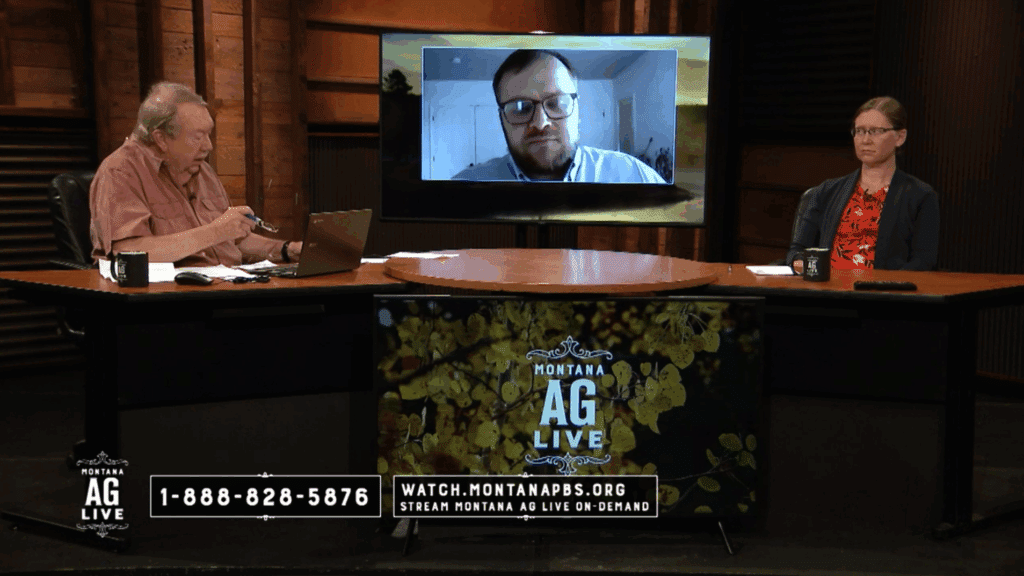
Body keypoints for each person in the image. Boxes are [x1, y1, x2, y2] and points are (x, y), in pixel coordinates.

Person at [89, 81, 302, 267]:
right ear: (161, 138)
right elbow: (130, 252)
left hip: (228, 288)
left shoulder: (201, 171)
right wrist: (216, 231)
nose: (208, 146)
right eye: (198, 137)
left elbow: (233, 240)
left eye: (209, 135)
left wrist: (286, 250)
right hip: (172, 301)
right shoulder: (120, 172)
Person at [452, 49, 666, 183]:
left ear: (578, 111)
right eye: (520, 108)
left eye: (556, 103)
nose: (540, 123)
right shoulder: (462, 191)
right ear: (501, 119)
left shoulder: (634, 177)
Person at [786, 96, 939, 271]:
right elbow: (796, 252)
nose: (865, 140)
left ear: (900, 136)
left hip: (884, 295)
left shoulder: (921, 196)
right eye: (859, 131)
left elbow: (924, 264)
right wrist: (806, 265)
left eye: (875, 131)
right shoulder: (825, 191)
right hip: (827, 292)